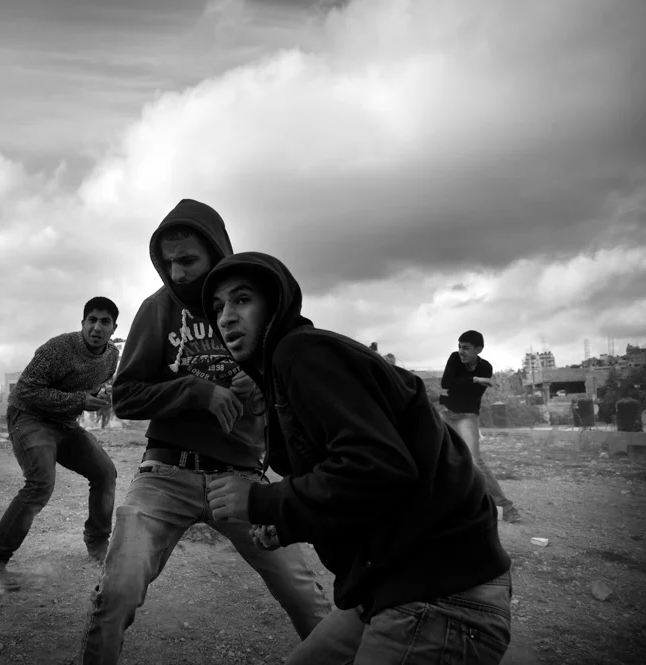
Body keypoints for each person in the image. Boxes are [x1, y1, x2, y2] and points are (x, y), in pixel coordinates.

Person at [202, 252, 513, 665]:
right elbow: (364, 486)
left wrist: (259, 501)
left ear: (276, 304)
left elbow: (380, 469)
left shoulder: (302, 353)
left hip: (440, 595)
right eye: (219, 307)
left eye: (242, 300)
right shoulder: (289, 368)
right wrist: (290, 522)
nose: (226, 318)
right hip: (387, 584)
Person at [79, 200, 332, 665]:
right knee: (116, 591)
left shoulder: (257, 307)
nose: (176, 274)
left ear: (218, 252)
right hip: (165, 473)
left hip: (242, 481)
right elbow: (128, 396)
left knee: (308, 600)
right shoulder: (157, 310)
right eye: (167, 262)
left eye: (188, 261)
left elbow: (299, 397)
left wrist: (262, 392)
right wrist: (197, 392)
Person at [0, 297, 121, 590]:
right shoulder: (58, 348)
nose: (97, 327)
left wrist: (101, 397)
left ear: (114, 327)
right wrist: (79, 400)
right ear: (82, 324)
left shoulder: (111, 357)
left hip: (64, 423)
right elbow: (26, 390)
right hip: (29, 418)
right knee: (40, 482)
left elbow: (96, 387)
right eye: (91, 320)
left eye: (105, 322)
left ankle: (98, 542)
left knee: (105, 473)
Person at [440, 331, 521, 523]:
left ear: (478, 349)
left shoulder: (486, 367)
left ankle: (504, 506)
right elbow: (446, 383)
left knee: (474, 460)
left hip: (466, 415)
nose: (461, 351)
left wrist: (464, 384)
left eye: (466, 348)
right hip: (444, 412)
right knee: (440, 457)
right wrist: (475, 379)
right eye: (459, 346)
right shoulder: (454, 358)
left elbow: (470, 395)